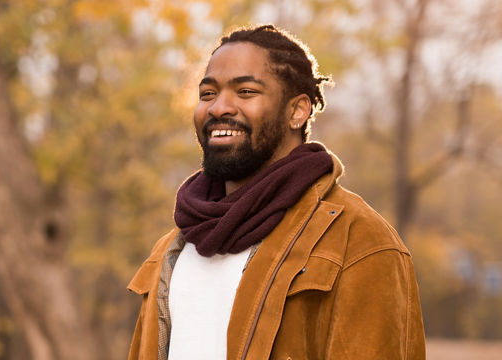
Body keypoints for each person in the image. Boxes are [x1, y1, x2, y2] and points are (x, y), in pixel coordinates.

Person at [126, 24, 426, 360]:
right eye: (207, 94)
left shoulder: (359, 242)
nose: (218, 108)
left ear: (297, 111)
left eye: (246, 92)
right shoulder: (171, 249)